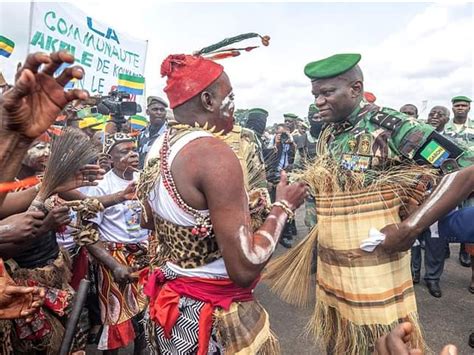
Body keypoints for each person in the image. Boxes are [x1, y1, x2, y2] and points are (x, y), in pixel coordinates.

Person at [267, 53, 474, 354]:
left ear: (355, 89)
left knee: (379, 345)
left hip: (375, 272)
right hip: (334, 271)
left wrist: (410, 228)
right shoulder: (329, 132)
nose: (319, 102)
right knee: (339, 343)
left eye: (327, 93)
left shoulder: (391, 127)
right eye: (315, 95)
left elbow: (463, 167)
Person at [137, 53, 306, 354]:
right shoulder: (213, 153)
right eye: (230, 96)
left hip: (171, 309)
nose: (234, 105)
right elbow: (244, 267)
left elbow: (148, 221)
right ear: (208, 101)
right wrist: (283, 207)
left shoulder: (157, 148)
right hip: (211, 316)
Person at [83, 133, 149, 354]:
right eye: (124, 151)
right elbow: (88, 234)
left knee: (145, 319)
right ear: (110, 159)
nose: (132, 154)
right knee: (115, 321)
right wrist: (114, 265)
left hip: (144, 257)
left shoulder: (145, 179)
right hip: (114, 258)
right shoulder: (101, 185)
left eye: (134, 149)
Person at [410, 105, 451, 297]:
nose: (434, 117)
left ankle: (433, 278)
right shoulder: (415, 140)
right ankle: (412, 273)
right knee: (412, 239)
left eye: (439, 114)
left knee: (435, 241)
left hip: (437, 198)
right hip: (412, 198)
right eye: (431, 114)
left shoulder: (450, 144)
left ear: (446, 119)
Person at [445, 95, 474, 269]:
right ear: (453, 108)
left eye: (464, 105)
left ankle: (465, 249)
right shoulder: (444, 129)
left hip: (470, 179)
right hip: (450, 178)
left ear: (469, 108)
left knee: (468, 213)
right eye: (457, 105)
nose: (460, 108)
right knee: (447, 210)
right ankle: (445, 245)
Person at [137, 96, 168, 168]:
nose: (159, 112)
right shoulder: (141, 134)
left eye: (162, 110)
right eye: (155, 109)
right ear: (147, 112)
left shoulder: (170, 133)